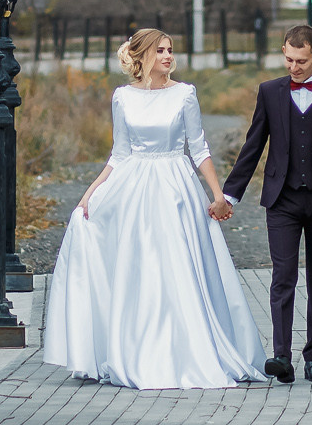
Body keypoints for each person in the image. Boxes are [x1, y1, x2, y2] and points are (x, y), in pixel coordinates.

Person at [43, 29, 266, 388]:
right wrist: (90, 193)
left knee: (179, 266)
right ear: (142, 56)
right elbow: (119, 153)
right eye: (159, 50)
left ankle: (190, 350)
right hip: (134, 188)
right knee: (140, 266)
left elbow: (199, 148)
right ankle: (137, 350)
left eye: (170, 50)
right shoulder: (123, 98)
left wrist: (217, 195)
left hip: (176, 187)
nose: (167, 56)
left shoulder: (184, 94)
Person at [220, 23, 312, 384]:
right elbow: (253, 145)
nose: (293, 67)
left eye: (301, 61)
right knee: (282, 276)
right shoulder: (270, 92)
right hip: (282, 198)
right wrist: (229, 194)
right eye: (288, 59)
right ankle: (281, 356)